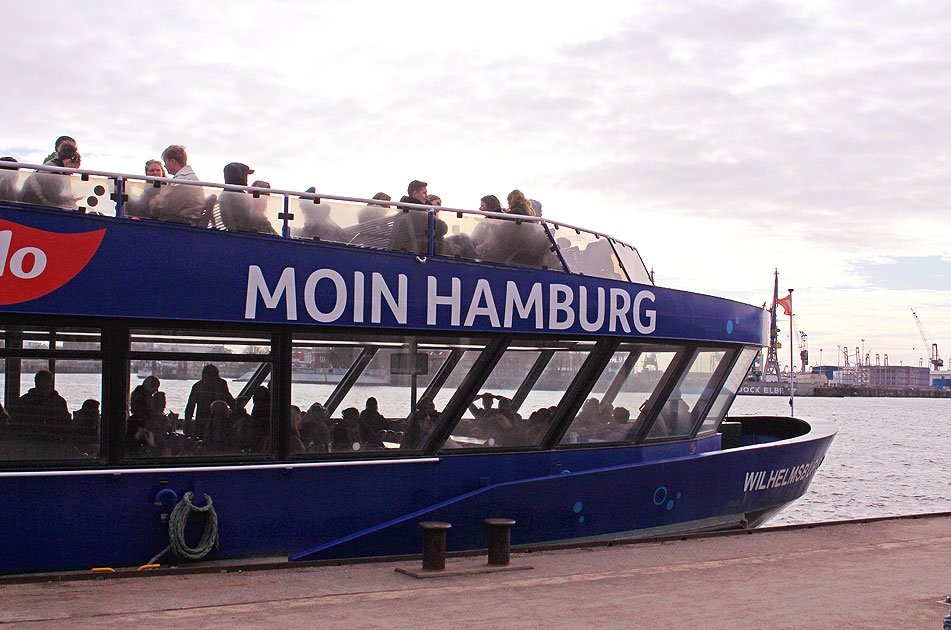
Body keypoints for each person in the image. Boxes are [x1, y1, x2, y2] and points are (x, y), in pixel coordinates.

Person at [150, 144, 205, 224]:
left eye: (165, 162)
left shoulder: (184, 181)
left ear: (172, 162)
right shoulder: (185, 179)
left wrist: (153, 203)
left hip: (180, 225)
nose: (165, 166)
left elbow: (166, 207)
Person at [218, 162, 276, 234]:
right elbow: (257, 219)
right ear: (239, 176)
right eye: (245, 175)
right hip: (251, 236)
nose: (247, 179)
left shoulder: (227, 194)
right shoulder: (237, 197)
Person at [19, 144, 80, 210]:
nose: (72, 173)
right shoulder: (54, 173)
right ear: (68, 162)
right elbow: (53, 199)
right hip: (32, 209)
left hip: (28, 206)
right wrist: (70, 200)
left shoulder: (49, 167)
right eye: (73, 168)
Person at [184, 364, 234, 439]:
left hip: (203, 420)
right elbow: (229, 400)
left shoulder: (197, 386)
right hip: (218, 421)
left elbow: (190, 406)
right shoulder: (221, 384)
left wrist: (187, 424)